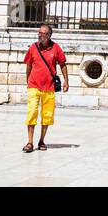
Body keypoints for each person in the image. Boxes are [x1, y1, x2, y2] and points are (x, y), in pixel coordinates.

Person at [23, 24, 68, 152]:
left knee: (47, 115)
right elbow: (28, 65)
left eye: (43, 33)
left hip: (49, 87)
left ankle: (42, 140)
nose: (40, 35)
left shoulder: (56, 48)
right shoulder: (33, 47)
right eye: (39, 33)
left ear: (48, 36)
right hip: (34, 85)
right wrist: (28, 81)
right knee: (32, 112)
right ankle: (30, 142)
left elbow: (63, 64)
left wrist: (66, 81)